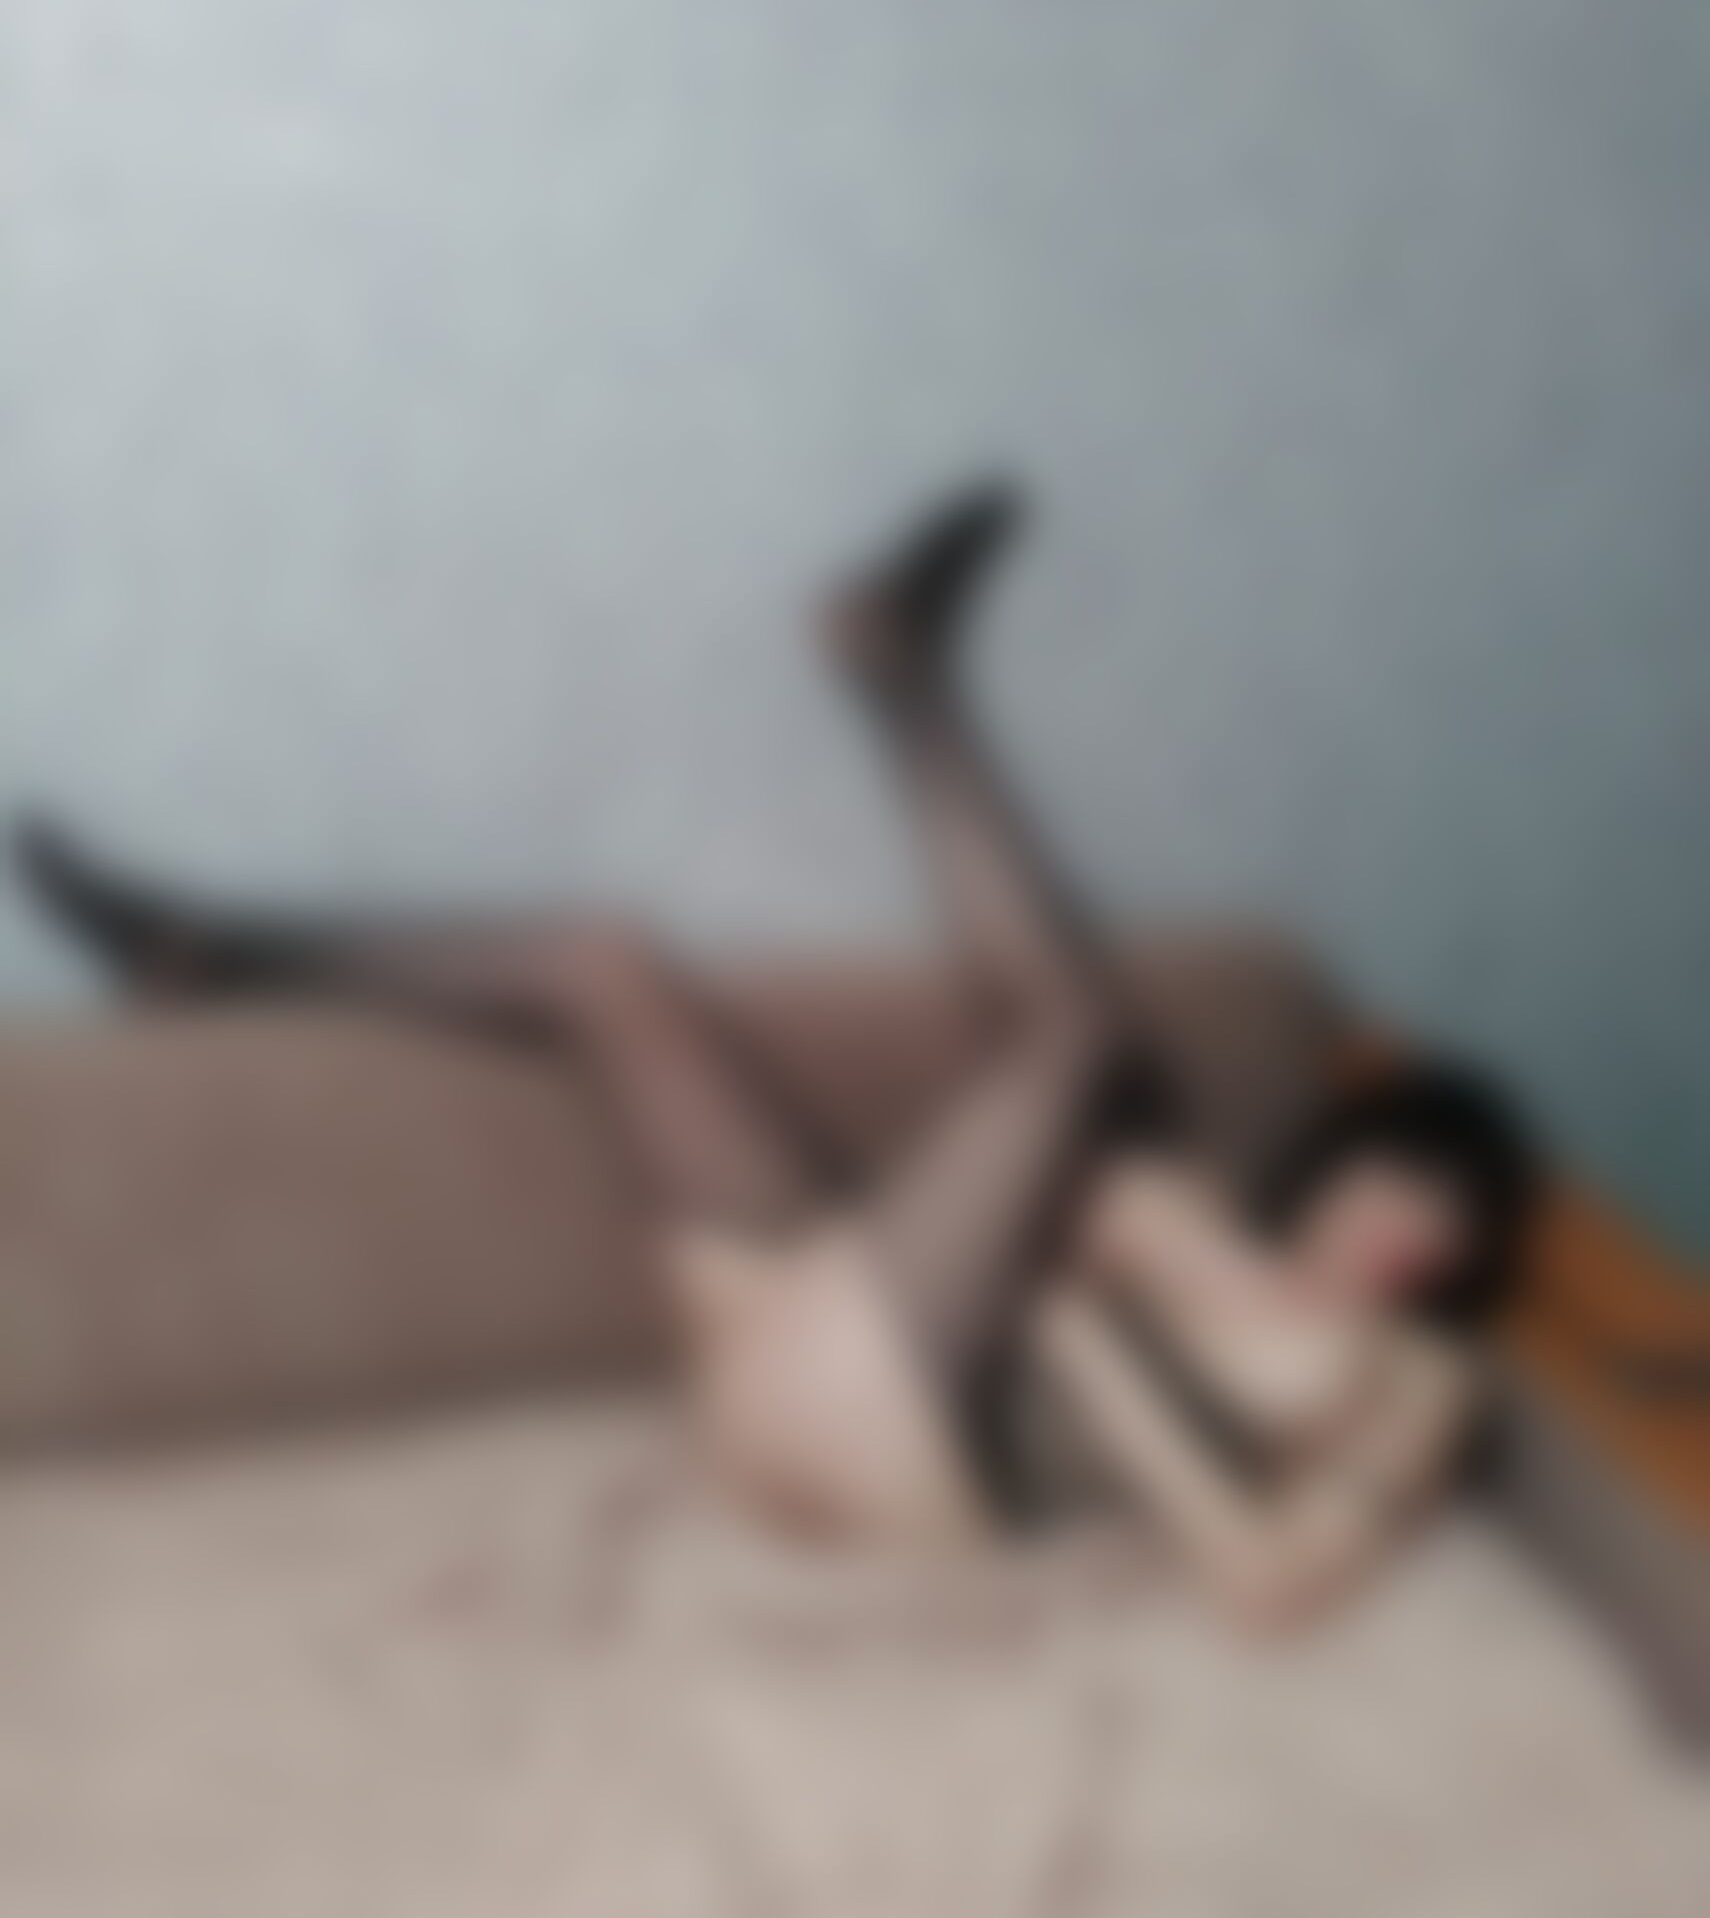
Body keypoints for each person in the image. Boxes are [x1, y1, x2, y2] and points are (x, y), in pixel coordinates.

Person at [14, 488, 1541, 1625]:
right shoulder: (1198, 1212)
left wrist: (1107, 1356)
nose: (1408, 1222)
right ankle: (197, 958)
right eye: (1398, 1174)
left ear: (1464, 1262)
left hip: (903, 1467)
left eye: (1449, 1218)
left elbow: (1268, 1581)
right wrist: (1120, 1266)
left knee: (1082, 1051)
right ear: (1335, 1166)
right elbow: (1035, 1228)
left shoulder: (1412, 1383)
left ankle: (895, 674)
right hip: (791, 1345)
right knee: (601, 962)